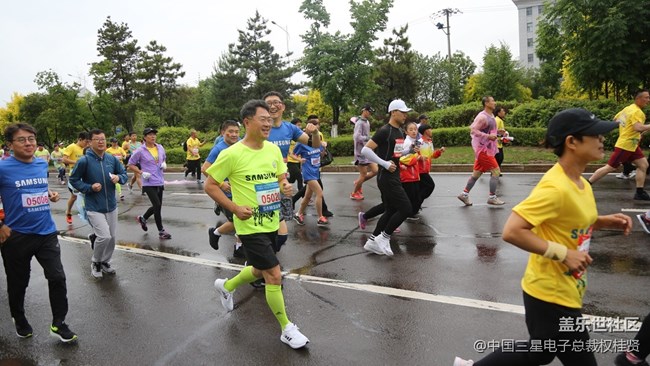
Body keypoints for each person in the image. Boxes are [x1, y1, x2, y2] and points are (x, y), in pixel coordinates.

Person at [453, 108, 633, 366]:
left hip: (563, 289)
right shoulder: (555, 186)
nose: (602, 139)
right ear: (572, 142)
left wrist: (603, 221)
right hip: (551, 294)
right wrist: (564, 254)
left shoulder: (579, 181)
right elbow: (512, 231)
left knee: (540, 352)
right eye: (595, 134)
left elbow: (570, 219)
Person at [205, 99, 310, 349]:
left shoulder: (273, 150)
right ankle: (286, 328)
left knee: (260, 268)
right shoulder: (231, 154)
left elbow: (281, 179)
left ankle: (226, 286)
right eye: (263, 119)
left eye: (270, 120)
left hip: (271, 220)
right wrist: (234, 208)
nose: (268, 124)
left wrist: (285, 187)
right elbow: (209, 184)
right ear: (247, 122)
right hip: (249, 225)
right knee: (273, 275)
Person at [0, 123, 78, 342]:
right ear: (10, 144)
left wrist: (49, 194)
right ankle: (19, 317)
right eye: (22, 139)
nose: (28, 143)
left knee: (57, 276)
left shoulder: (40, 164)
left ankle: (59, 323)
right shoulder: (3, 168)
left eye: (31, 139)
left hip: (46, 232)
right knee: (18, 282)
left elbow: (37, 188)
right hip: (16, 236)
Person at [264, 91, 322, 253]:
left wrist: (315, 132)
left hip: (282, 181)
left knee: (281, 232)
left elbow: (314, 145)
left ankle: (265, 261)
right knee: (267, 225)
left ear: (283, 107)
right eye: (268, 104)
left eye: (276, 102)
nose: (273, 106)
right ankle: (262, 262)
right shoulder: (262, 128)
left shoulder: (289, 128)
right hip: (262, 183)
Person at [69, 129, 128, 279]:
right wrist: (89, 188)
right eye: (97, 139)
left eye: (103, 139)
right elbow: (74, 180)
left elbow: (124, 175)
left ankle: (105, 262)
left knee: (112, 237)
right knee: (104, 237)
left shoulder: (111, 159)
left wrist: (118, 178)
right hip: (93, 206)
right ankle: (95, 262)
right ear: (89, 142)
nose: (101, 142)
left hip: (111, 205)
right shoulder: (84, 161)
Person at [359, 99, 413, 256]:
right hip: (386, 177)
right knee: (406, 208)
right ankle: (384, 237)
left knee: (390, 210)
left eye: (406, 112)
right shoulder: (385, 130)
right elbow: (366, 150)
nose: (405, 115)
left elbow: (396, 154)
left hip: (394, 175)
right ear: (393, 112)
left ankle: (372, 241)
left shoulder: (400, 132)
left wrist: (409, 151)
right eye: (402, 112)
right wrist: (384, 164)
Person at [589, 89, 650, 201]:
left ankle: (639, 192)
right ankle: (587, 184)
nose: (648, 100)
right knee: (609, 167)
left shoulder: (628, 109)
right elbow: (638, 127)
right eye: (646, 97)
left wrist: (629, 130)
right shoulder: (637, 112)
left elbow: (617, 120)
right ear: (638, 99)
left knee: (643, 165)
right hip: (625, 145)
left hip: (632, 145)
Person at [201, 120, 243, 256]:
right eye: (230, 132)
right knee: (237, 220)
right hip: (226, 192)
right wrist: (221, 183)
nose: (234, 134)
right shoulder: (219, 148)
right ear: (223, 132)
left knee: (243, 219)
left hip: (241, 189)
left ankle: (239, 246)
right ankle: (215, 232)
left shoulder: (242, 144)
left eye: (236, 132)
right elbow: (205, 168)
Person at [457, 96, 505, 206]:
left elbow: (488, 130)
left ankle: (464, 194)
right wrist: (488, 136)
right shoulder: (482, 117)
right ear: (486, 103)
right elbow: (473, 130)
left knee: (476, 174)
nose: (495, 102)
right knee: (496, 171)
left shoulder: (491, 116)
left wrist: (498, 133)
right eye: (493, 100)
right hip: (483, 150)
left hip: (486, 149)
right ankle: (492, 197)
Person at [128, 127, 171, 239]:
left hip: (159, 180)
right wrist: (141, 172)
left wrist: (164, 163)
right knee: (157, 205)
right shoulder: (140, 150)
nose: (153, 136)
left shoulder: (160, 147)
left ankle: (143, 218)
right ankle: (161, 231)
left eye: (154, 134)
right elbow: (131, 164)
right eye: (150, 134)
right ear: (145, 137)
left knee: (158, 206)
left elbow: (164, 158)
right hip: (148, 182)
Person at [290, 115, 332, 218]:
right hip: (308, 172)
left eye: (318, 124)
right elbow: (292, 154)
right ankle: (321, 217)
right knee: (319, 193)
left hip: (316, 171)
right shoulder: (301, 142)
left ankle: (299, 213)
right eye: (315, 124)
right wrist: (300, 160)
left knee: (308, 196)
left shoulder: (318, 138)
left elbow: (321, 154)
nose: (318, 127)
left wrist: (324, 148)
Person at [351, 104, 378, 200]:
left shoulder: (367, 122)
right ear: (364, 111)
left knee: (375, 170)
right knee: (363, 174)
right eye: (369, 111)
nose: (370, 113)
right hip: (360, 153)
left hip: (368, 151)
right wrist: (368, 138)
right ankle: (354, 193)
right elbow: (357, 137)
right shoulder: (359, 123)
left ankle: (359, 182)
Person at [62, 131, 90, 224]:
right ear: (80, 139)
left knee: (86, 194)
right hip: (74, 176)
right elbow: (64, 159)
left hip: (85, 175)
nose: (87, 144)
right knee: (74, 197)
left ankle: (88, 215)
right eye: (86, 141)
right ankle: (69, 211)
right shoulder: (72, 147)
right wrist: (77, 162)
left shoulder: (87, 149)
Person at [286, 118, 304, 193]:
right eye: (298, 125)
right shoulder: (288, 136)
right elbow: (289, 152)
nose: (300, 127)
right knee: (300, 178)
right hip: (290, 161)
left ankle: (280, 180)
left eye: (300, 125)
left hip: (298, 161)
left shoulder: (299, 136)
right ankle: (303, 196)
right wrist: (298, 159)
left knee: (292, 180)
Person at [494, 106, 508, 171]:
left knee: (500, 158)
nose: (504, 112)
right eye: (503, 111)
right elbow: (494, 131)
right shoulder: (497, 120)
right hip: (495, 143)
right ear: (498, 113)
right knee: (499, 158)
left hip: (499, 143)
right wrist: (502, 134)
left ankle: (496, 171)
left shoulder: (500, 120)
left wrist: (504, 135)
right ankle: (495, 171)